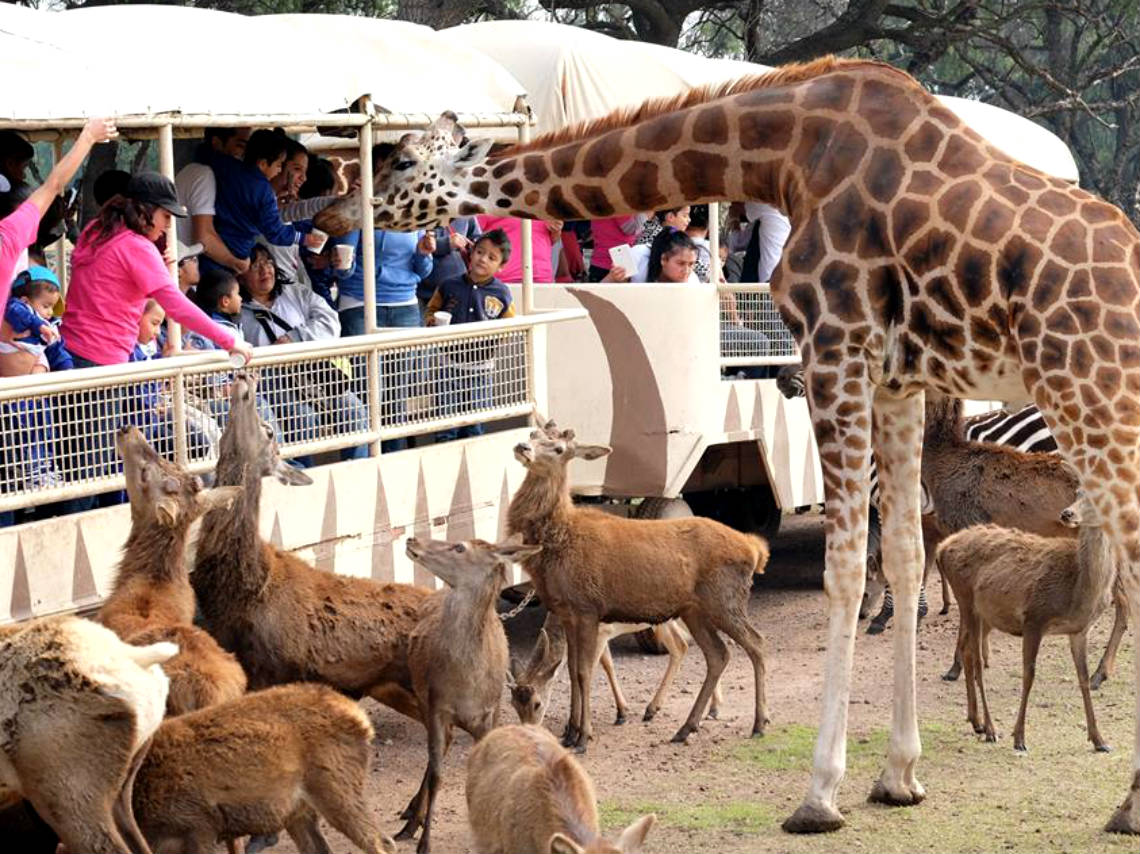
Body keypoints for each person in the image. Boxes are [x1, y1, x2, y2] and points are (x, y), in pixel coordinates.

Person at [62, 172, 251, 368]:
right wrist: (230, 341)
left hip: (69, 350)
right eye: (166, 216)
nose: (169, 225)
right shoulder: (137, 247)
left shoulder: (97, 229)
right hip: (102, 359)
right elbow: (176, 306)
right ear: (144, 211)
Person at [238, 244, 367, 464]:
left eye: (268, 262)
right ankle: (304, 479)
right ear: (240, 275)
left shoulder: (296, 291)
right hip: (271, 380)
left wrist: (296, 337)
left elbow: (330, 322)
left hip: (310, 370)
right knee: (304, 419)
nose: (265, 270)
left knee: (354, 410)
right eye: (255, 265)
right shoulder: (237, 309)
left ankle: (355, 471)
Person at [0, 118, 117, 307]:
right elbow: (53, 185)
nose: (22, 175)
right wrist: (88, 137)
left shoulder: (10, 236)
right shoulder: (9, 237)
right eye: (21, 168)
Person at [424, 229, 514, 443]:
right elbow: (431, 309)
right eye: (480, 252)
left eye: (492, 257)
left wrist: (491, 340)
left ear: (501, 266)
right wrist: (433, 322)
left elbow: (510, 324)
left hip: (481, 371)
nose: (483, 259)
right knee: (446, 425)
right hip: (449, 367)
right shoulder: (448, 285)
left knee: (475, 425)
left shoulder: (502, 292)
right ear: (471, 253)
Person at [209, 130, 323, 271]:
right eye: (280, 165)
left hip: (217, 245)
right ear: (263, 164)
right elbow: (275, 231)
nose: (303, 178)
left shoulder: (229, 167)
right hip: (236, 253)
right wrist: (303, 238)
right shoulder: (264, 193)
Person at [175, 128, 251, 272]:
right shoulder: (204, 175)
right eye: (239, 146)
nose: (242, 154)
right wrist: (236, 262)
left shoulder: (194, 170)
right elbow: (204, 237)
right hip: (184, 269)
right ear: (217, 143)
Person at [1, 266, 63, 376]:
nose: (50, 312)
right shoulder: (17, 310)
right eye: (46, 306)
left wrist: (68, 368)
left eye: (52, 307)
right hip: (7, 375)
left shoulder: (50, 324)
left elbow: (58, 352)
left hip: (29, 373)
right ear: (25, 301)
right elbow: (15, 310)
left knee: (42, 367)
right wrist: (39, 326)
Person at [417, 217, 480, 315]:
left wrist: (474, 247)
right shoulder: (420, 209)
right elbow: (411, 245)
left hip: (457, 292)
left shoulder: (465, 210)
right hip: (423, 293)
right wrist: (446, 243)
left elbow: (476, 237)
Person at [475, 215, 559, 283]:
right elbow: (472, 234)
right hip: (505, 279)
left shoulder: (544, 200)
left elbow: (550, 240)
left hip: (542, 278)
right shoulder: (494, 199)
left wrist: (556, 230)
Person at [741, 201, 792, 283]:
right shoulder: (789, 209)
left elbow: (740, 209)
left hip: (771, 277)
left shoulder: (767, 206)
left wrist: (734, 219)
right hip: (784, 275)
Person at [587, 215, 638, 282]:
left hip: (601, 262)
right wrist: (644, 211)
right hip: (615, 265)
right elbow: (630, 229)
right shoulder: (620, 207)